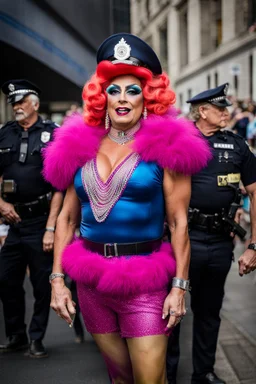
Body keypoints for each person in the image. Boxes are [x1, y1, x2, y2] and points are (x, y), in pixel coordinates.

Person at [43, 33, 211, 383]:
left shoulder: (167, 148)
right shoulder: (78, 145)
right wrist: (57, 280)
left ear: (147, 97)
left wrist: (179, 287)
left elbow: (180, 223)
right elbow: (67, 217)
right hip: (91, 283)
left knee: (149, 379)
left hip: (145, 282)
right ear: (100, 96)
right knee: (119, 378)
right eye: (114, 89)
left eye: (132, 90)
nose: (122, 98)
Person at [166, 83, 256, 384]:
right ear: (202, 111)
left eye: (226, 108)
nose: (225, 113)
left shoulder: (236, 144)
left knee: (209, 311)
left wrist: (254, 245)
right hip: (181, 238)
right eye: (219, 108)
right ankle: (164, 372)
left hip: (219, 240)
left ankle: (203, 373)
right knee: (171, 310)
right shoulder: (177, 140)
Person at [0, 79, 63, 358]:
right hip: (13, 220)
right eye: (13, 102)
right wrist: (0, 203)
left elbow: (60, 186)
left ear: (34, 103)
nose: (16, 106)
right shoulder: (5, 134)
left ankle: (36, 338)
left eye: (21, 101)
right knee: (6, 279)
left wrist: (51, 228)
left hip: (41, 220)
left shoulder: (54, 134)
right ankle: (16, 335)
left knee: (40, 284)